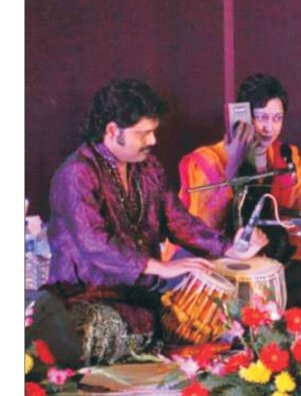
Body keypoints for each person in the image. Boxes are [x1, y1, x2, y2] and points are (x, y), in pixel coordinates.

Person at [33, 79, 266, 365]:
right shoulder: (76, 174)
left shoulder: (149, 168)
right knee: (100, 329)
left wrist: (230, 247)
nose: (153, 141)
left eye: (153, 132)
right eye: (144, 134)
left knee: (206, 316)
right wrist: (160, 267)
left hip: (141, 293)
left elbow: (177, 220)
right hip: (84, 297)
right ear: (112, 131)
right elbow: (95, 245)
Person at [178, 73, 301, 308]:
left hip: (274, 263)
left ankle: (265, 302)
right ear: (243, 116)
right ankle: (265, 305)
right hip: (224, 266)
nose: (269, 128)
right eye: (261, 118)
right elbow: (202, 228)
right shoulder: (207, 159)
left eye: (277, 119)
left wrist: (295, 233)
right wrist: (233, 164)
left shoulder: (286, 156)